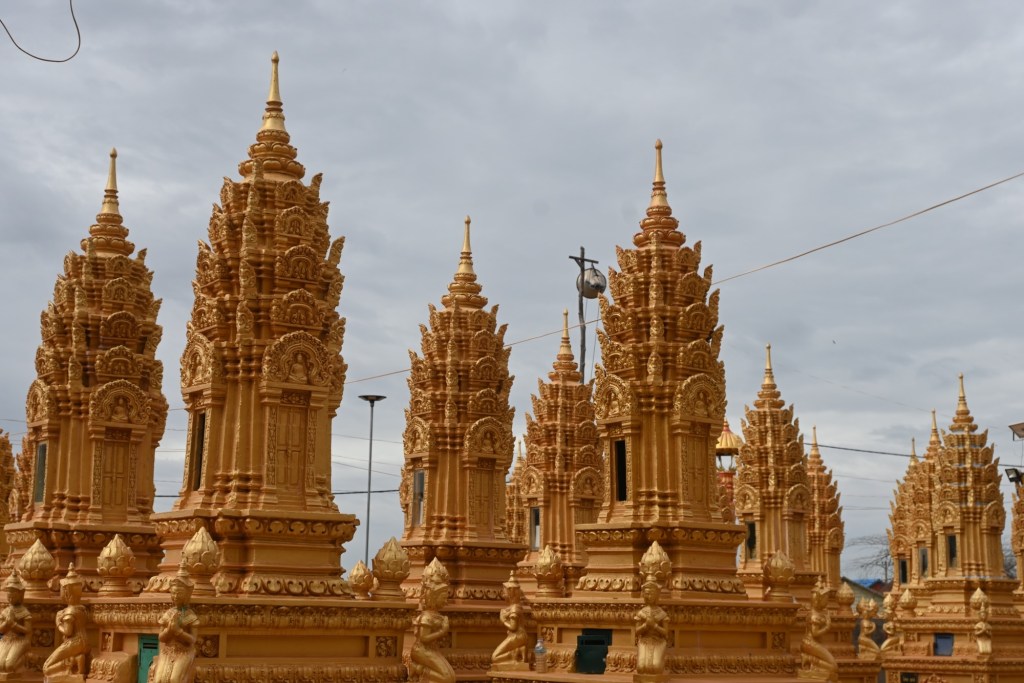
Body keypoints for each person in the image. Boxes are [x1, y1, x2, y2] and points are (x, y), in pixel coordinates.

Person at [151, 567, 200, 683]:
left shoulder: (190, 615)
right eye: (173, 593)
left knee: (174, 679)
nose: (176, 596)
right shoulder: (168, 614)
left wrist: (178, 631)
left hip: (184, 651)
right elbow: (161, 638)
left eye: (179, 593)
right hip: (168, 651)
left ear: (187, 595)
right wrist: (169, 630)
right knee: (158, 680)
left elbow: (192, 640)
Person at [410, 559, 455, 683]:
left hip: (431, 650)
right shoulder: (427, 617)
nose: (445, 601)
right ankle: (417, 670)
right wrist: (442, 631)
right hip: (421, 650)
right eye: (443, 597)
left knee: (450, 676)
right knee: (447, 678)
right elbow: (423, 638)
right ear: (434, 596)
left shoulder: (436, 615)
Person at [43, 564, 90, 679]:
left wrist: (58, 623)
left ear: (67, 592)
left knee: (46, 668)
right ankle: (77, 659)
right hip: (85, 641)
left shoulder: (69, 612)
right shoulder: (82, 609)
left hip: (74, 642)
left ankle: (71, 664)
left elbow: (68, 632)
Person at [491, 573, 529, 669]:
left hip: (517, 636)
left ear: (511, 593)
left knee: (495, 657)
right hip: (517, 635)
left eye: (505, 592)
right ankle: (518, 651)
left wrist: (503, 620)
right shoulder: (513, 607)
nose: (503, 594)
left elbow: (513, 627)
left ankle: (515, 653)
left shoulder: (514, 608)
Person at [634, 578, 668, 675]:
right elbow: (637, 632)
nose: (649, 596)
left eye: (651, 594)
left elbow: (665, 633)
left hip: (658, 641)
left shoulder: (661, 613)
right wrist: (645, 625)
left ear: (656, 595)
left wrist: (655, 626)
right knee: (641, 668)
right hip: (644, 641)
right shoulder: (641, 613)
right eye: (647, 594)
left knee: (656, 668)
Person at [0, 570, 31, 673]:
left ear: (20, 594)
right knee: (0, 665)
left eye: (13, 596)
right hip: (6, 639)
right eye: (9, 596)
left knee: (9, 666)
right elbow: (0, 631)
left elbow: (28, 631)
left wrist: (13, 624)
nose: (10, 599)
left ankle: (25, 657)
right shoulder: (5, 611)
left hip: (20, 640)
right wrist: (6, 623)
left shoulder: (24, 612)